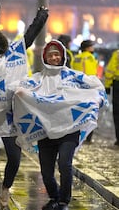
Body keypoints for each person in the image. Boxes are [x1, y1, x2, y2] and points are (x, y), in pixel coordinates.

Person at [12, 40, 107, 210]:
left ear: (62, 56)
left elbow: (96, 86)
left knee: (65, 164)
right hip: (45, 131)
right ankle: (54, 196)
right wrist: (20, 93)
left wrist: (97, 100)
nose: (54, 57)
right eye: (50, 55)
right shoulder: (37, 79)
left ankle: (64, 200)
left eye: (57, 54)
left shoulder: (74, 76)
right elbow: (21, 89)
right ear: (45, 58)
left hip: (69, 130)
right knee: (46, 171)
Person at [0, 6, 48, 209]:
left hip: (9, 116)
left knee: (14, 158)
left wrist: (40, 18)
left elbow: (28, 38)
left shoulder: (10, 55)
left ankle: (5, 188)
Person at [71, 39, 98, 142]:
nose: (93, 48)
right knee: (90, 111)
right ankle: (88, 135)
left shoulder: (76, 57)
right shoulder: (90, 57)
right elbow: (91, 74)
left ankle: (78, 132)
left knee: (78, 110)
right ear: (87, 47)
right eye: (92, 46)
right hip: (88, 87)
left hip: (77, 87)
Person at [104, 49, 119, 146]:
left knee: (117, 112)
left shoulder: (117, 54)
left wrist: (107, 85)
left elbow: (110, 70)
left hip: (117, 83)